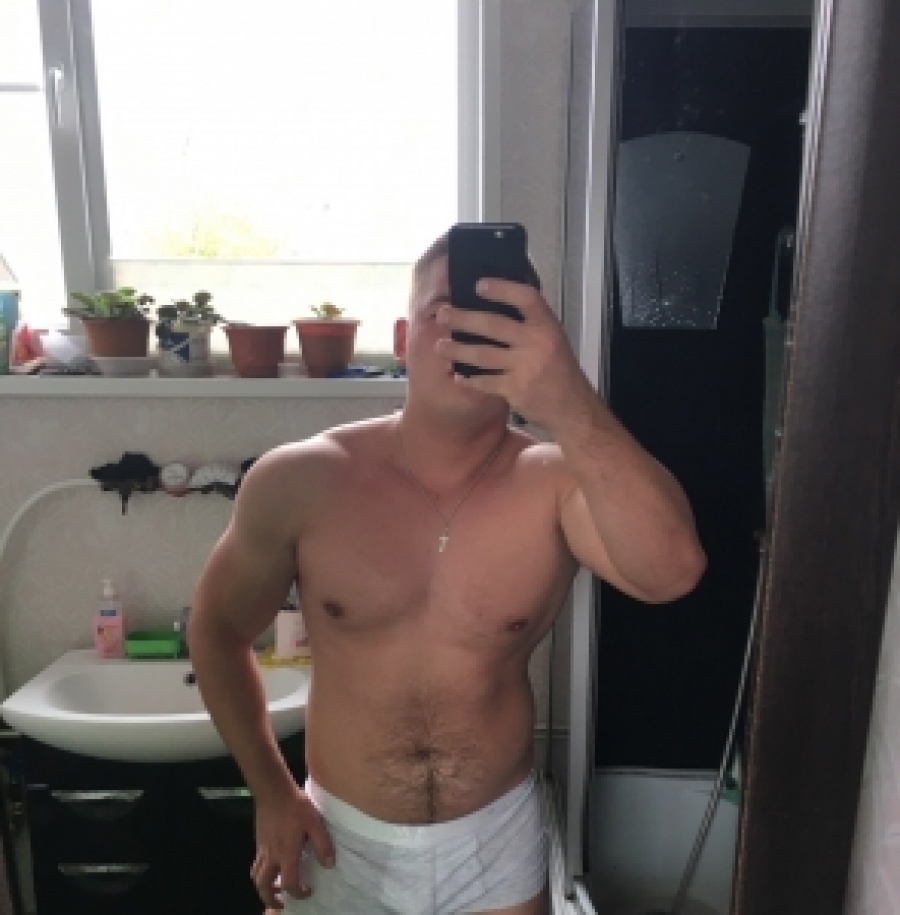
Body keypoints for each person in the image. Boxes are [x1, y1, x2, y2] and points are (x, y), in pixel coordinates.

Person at [188, 230, 706, 914]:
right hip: (341, 838)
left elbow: (671, 572)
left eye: (500, 316)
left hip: (494, 843)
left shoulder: (555, 482)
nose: (466, 331)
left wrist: (568, 400)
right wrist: (271, 790)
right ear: (403, 339)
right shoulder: (304, 478)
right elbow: (216, 631)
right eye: (443, 310)